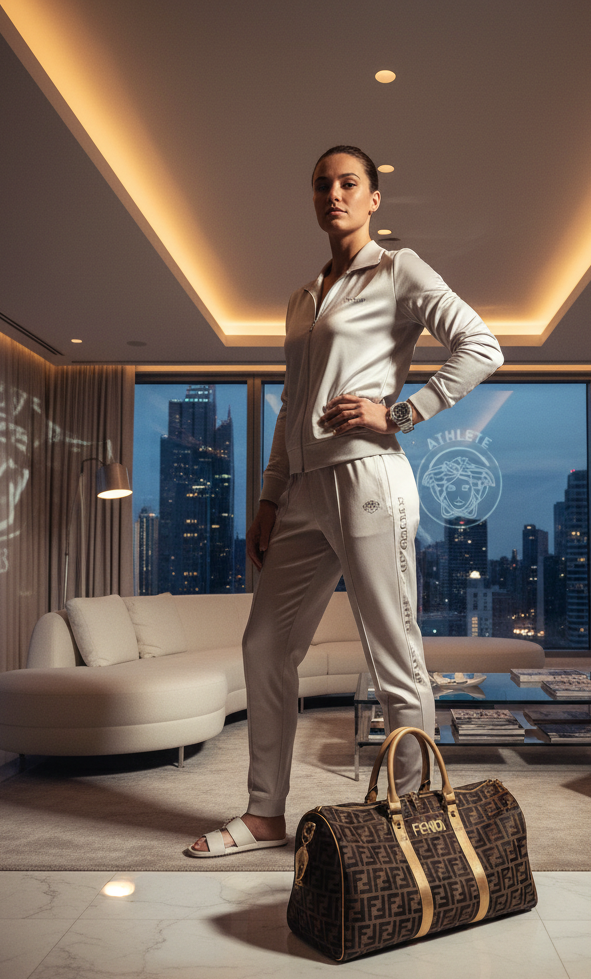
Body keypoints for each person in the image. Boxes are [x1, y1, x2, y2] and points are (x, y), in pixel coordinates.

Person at [188, 145, 503, 857]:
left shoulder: (399, 270)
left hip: (369, 482)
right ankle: (266, 814)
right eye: (323, 185)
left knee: (394, 654)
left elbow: (482, 346)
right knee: (265, 644)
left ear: (374, 198)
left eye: (349, 183)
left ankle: (415, 819)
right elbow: (290, 404)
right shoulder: (301, 300)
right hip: (299, 494)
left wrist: (402, 413)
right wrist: (269, 497)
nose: (335, 193)